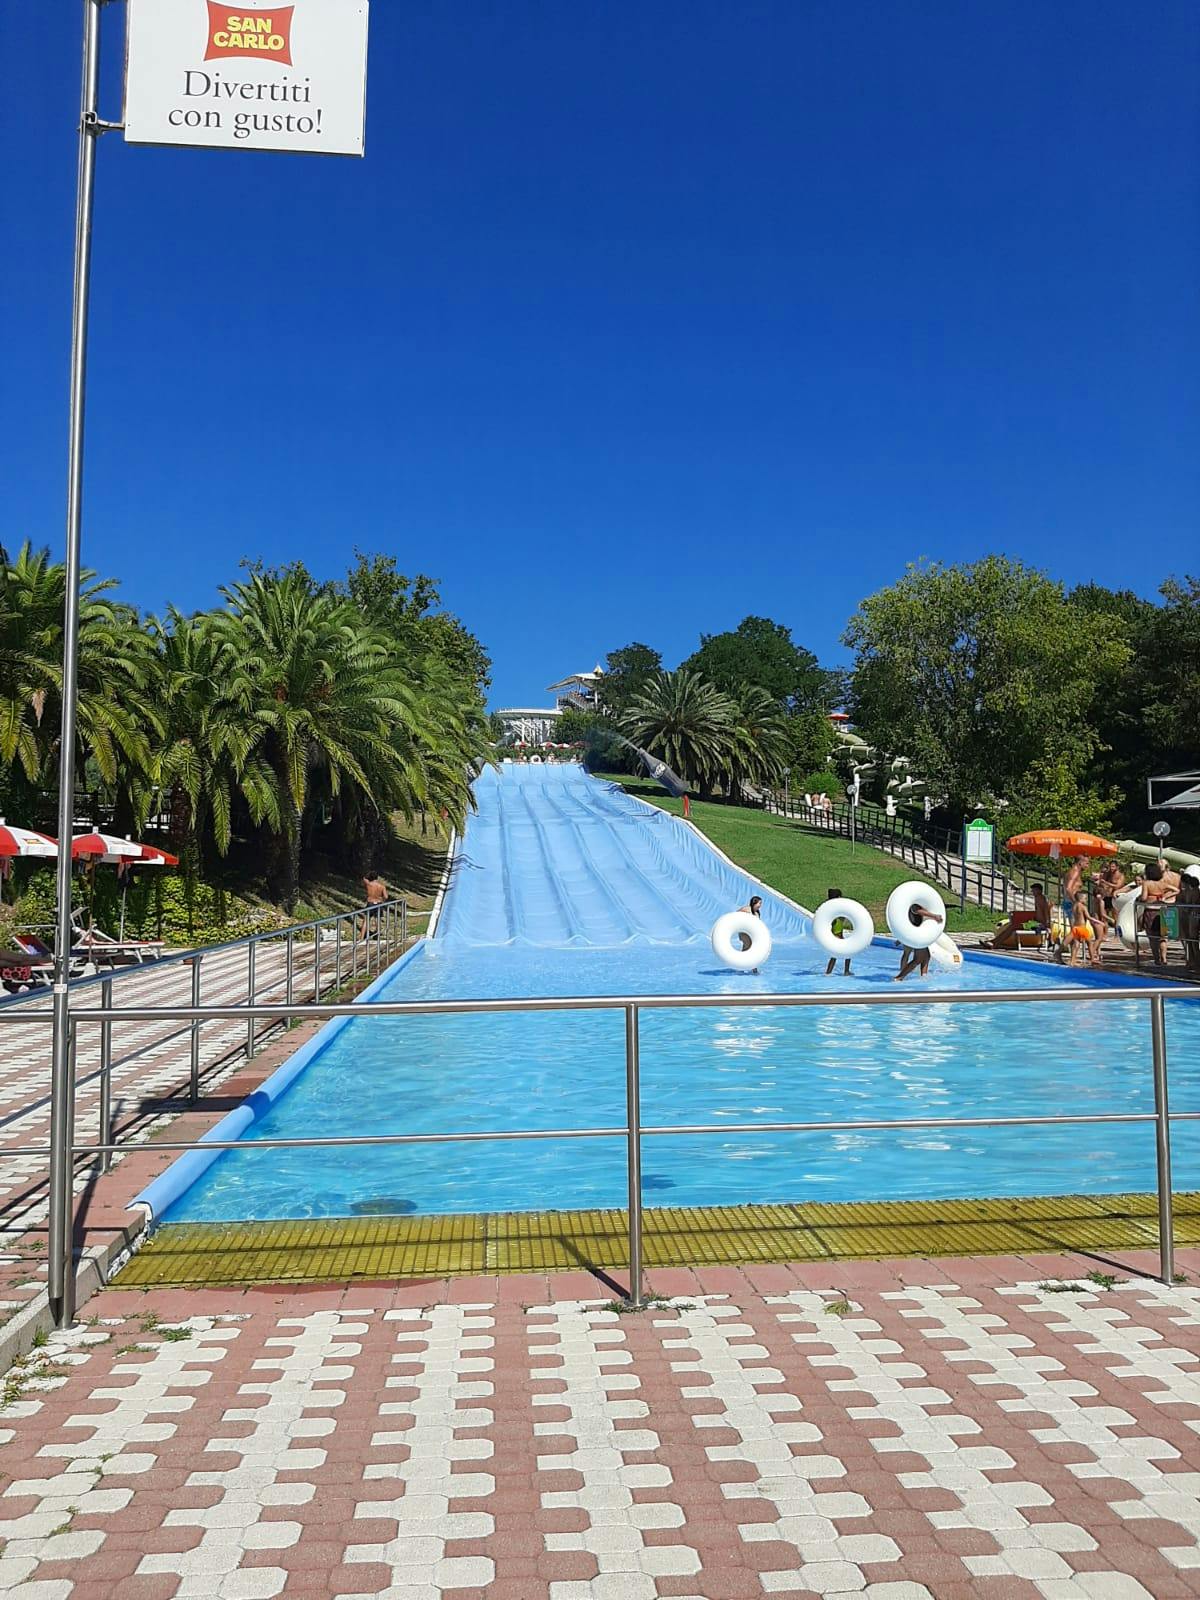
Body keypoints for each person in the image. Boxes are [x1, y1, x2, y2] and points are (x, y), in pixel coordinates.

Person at [986, 883, 1053, 949]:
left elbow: (1048, 914)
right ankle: (993, 941)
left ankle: (994, 944)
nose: (1032, 892)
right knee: (1012, 926)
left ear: (1039, 890)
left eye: (1034, 890)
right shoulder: (1038, 898)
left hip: (1039, 925)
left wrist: (1048, 928)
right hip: (1035, 923)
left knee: (1013, 927)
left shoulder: (1043, 900)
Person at [893, 900, 944, 982]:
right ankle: (899, 977)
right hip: (916, 934)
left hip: (917, 933)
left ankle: (924, 976)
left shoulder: (918, 904)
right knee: (918, 959)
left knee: (926, 956)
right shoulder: (914, 904)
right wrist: (934, 916)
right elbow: (916, 911)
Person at [1140, 861, 1177, 965]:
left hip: (1151, 911)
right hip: (1162, 910)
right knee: (1163, 937)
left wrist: (1141, 898)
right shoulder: (1162, 883)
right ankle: (1164, 959)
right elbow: (1176, 890)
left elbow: (1144, 898)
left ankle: (1157, 959)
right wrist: (1165, 897)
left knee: (1152, 938)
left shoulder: (1147, 883)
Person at [823, 887, 852, 977]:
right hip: (837, 934)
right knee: (847, 953)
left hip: (837, 933)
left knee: (835, 955)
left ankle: (828, 972)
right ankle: (845, 971)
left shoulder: (830, 908)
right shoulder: (834, 909)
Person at [1068, 893, 1097, 967]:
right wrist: (1099, 922)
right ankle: (1092, 959)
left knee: (1076, 944)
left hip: (1075, 927)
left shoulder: (1074, 906)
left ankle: (1072, 961)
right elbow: (1088, 917)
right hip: (1082, 928)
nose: (1086, 900)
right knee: (1089, 943)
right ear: (1081, 899)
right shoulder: (1083, 907)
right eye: (1085, 898)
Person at [736, 896, 764, 974]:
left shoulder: (757, 913)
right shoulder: (746, 909)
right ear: (754, 903)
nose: (760, 905)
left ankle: (749, 967)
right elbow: (735, 915)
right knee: (748, 947)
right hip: (744, 932)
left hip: (751, 932)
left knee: (750, 949)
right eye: (759, 903)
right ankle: (749, 968)